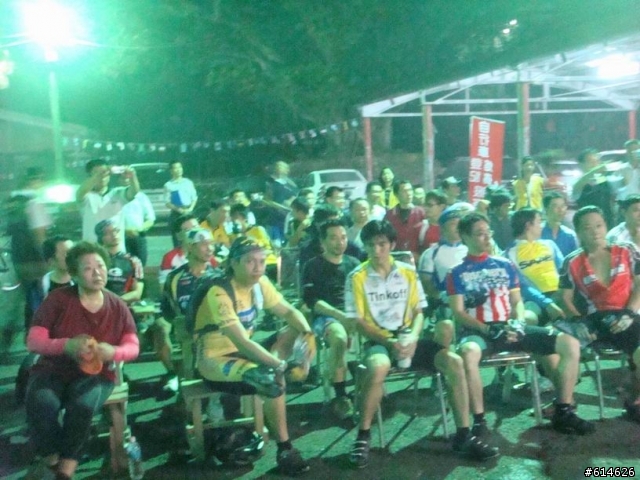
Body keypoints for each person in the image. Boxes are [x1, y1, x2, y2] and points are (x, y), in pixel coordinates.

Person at [346, 220, 499, 468]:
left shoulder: (407, 271)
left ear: (392, 244)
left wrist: (413, 337)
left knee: (454, 362)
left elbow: (419, 312)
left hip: (409, 336)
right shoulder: (357, 276)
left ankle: (463, 434)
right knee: (378, 366)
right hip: (379, 340)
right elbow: (359, 322)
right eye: (370, 245)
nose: (376, 250)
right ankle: (363, 435)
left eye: (382, 244)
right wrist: (390, 341)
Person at [448, 212, 594, 437]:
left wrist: (517, 322)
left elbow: (516, 301)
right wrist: (486, 329)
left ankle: (563, 409)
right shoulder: (457, 273)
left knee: (569, 344)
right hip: (480, 330)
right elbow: (458, 312)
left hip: (510, 327)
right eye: (479, 234)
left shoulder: (505, 265)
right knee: (467, 352)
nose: (487, 238)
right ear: (465, 237)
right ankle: (479, 419)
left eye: (488, 232)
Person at [188, 238, 312, 475]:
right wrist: (280, 365)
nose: (258, 267)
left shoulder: (260, 283)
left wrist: (308, 336)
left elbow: (288, 311)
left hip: (244, 355)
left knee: (294, 331)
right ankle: (285, 449)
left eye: (262, 261)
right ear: (233, 263)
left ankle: (284, 372)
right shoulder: (219, 291)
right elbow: (241, 342)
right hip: (215, 359)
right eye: (250, 261)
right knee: (271, 381)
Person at [24, 241, 139, 480]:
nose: (97, 272)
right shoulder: (57, 299)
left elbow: (132, 347)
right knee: (42, 403)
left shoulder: (117, 305)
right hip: (53, 369)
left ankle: (65, 471)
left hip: (97, 374)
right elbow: (34, 341)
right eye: (87, 268)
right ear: (74, 274)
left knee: (82, 406)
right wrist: (67, 345)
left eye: (101, 266)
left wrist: (113, 351)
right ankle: (52, 460)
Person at [559, 206, 640, 422]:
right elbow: (564, 299)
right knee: (558, 345)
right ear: (578, 232)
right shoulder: (571, 262)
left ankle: (635, 399)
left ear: (606, 226)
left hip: (627, 316)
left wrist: (629, 313)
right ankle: (564, 405)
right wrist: (579, 320)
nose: (595, 231)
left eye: (599, 225)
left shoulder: (627, 251)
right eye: (587, 228)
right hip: (594, 320)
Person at [302, 219, 361, 419]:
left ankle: (369, 382)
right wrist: (340, 316)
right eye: (334, 238)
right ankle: (340, 394)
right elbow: (312, 301)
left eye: (343, 237)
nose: (340, 242)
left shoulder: (354, 264)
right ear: (323, 241)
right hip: (326, 317)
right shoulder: (313, 266)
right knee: (339, 336)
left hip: (353, 315)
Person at [158, 228, 219, 393]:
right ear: (190, 247)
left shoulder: (220, 276)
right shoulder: (175, 278)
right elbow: (168, 311)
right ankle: (190, 395)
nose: (210, 249)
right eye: (204, 244)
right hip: (188, 335)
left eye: (211, 244)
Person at [503, 208, 566, 325]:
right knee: (528, 318)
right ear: (528, 225)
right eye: (539, 222)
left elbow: (565, 271)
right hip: (533, 299)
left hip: (560, 294)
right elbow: (521, 286)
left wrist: (563, 292)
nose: (542, 226)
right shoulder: (509, 254)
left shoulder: (549, 245)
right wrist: (547, 303)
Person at [418, 205, 469, 337]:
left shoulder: (471, 249)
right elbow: (426, 283)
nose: (457, 227)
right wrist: (441, 296)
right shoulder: (431, 253)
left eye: (459, 223)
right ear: (443, 228)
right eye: (453, 224)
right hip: (444, 307)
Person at [76, 158, 140, 246]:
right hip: (92, 249)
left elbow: (134, 191)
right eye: (96, 173)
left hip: (116, 248)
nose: (102, 177)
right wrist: (99, 174)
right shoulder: (86, 196)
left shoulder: (118, 193)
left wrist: (132, 176)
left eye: (105, 173)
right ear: (89, 176)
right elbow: (81, 191)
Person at [95, 220, 144, 306]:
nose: (114, 235)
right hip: (98, 305)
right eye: (108, 232)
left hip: (123, 307)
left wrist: (116, 302)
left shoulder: (134, 261)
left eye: (116, 231)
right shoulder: (95, 260)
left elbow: (137, 293)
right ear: (101, 237)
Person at [230, 203, 278, 281]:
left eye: (236, 217)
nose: (233, 220)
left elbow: (268, 249)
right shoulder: (233, 236)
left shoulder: (258, 230)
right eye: (232, 216)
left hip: (268, 263)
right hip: (248, 267)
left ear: (244, 217)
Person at [572, 148, 615, 230]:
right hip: (588, 225)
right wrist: (595, 170)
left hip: (607, 223)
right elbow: (577, 187)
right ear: (581, 164)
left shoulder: (605, 180)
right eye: (590, 161)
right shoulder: (578, 182)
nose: (595, 164)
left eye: (597, 161)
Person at [384, 180, 425, 259]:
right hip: (396, 257)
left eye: (410, 190)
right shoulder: (389, 215)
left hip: (417, 257)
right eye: (404, 191)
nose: (409, 193)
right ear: (396, 194)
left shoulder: (421, 213)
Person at [121, 174, 156, 266]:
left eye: (129, 179)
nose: (126, 181)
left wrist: (138, 229)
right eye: (123, 178)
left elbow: (150, 219)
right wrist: (125, 230)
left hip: (138, 236)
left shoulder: (142, 197)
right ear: (119, 180)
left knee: (140, 265)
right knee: (123, 266)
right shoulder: (113, 197)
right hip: (121, 237)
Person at [164, 160, 198, 247]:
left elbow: (194, 198)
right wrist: (179, 210)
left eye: (180, 167)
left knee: (192, 239)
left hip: (189, 213)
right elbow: (167, 202)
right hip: (176, 215)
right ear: (171, 171)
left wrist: (190, 209)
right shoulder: (168, 185)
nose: (178, 170)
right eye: (175, 168)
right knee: (178, 241)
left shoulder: (188, 182)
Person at [541, 192, 578, 257]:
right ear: (546, 209)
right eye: (555, 206)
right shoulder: (537, 233)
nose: (561, 210)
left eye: (563, 206)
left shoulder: (569, 235)